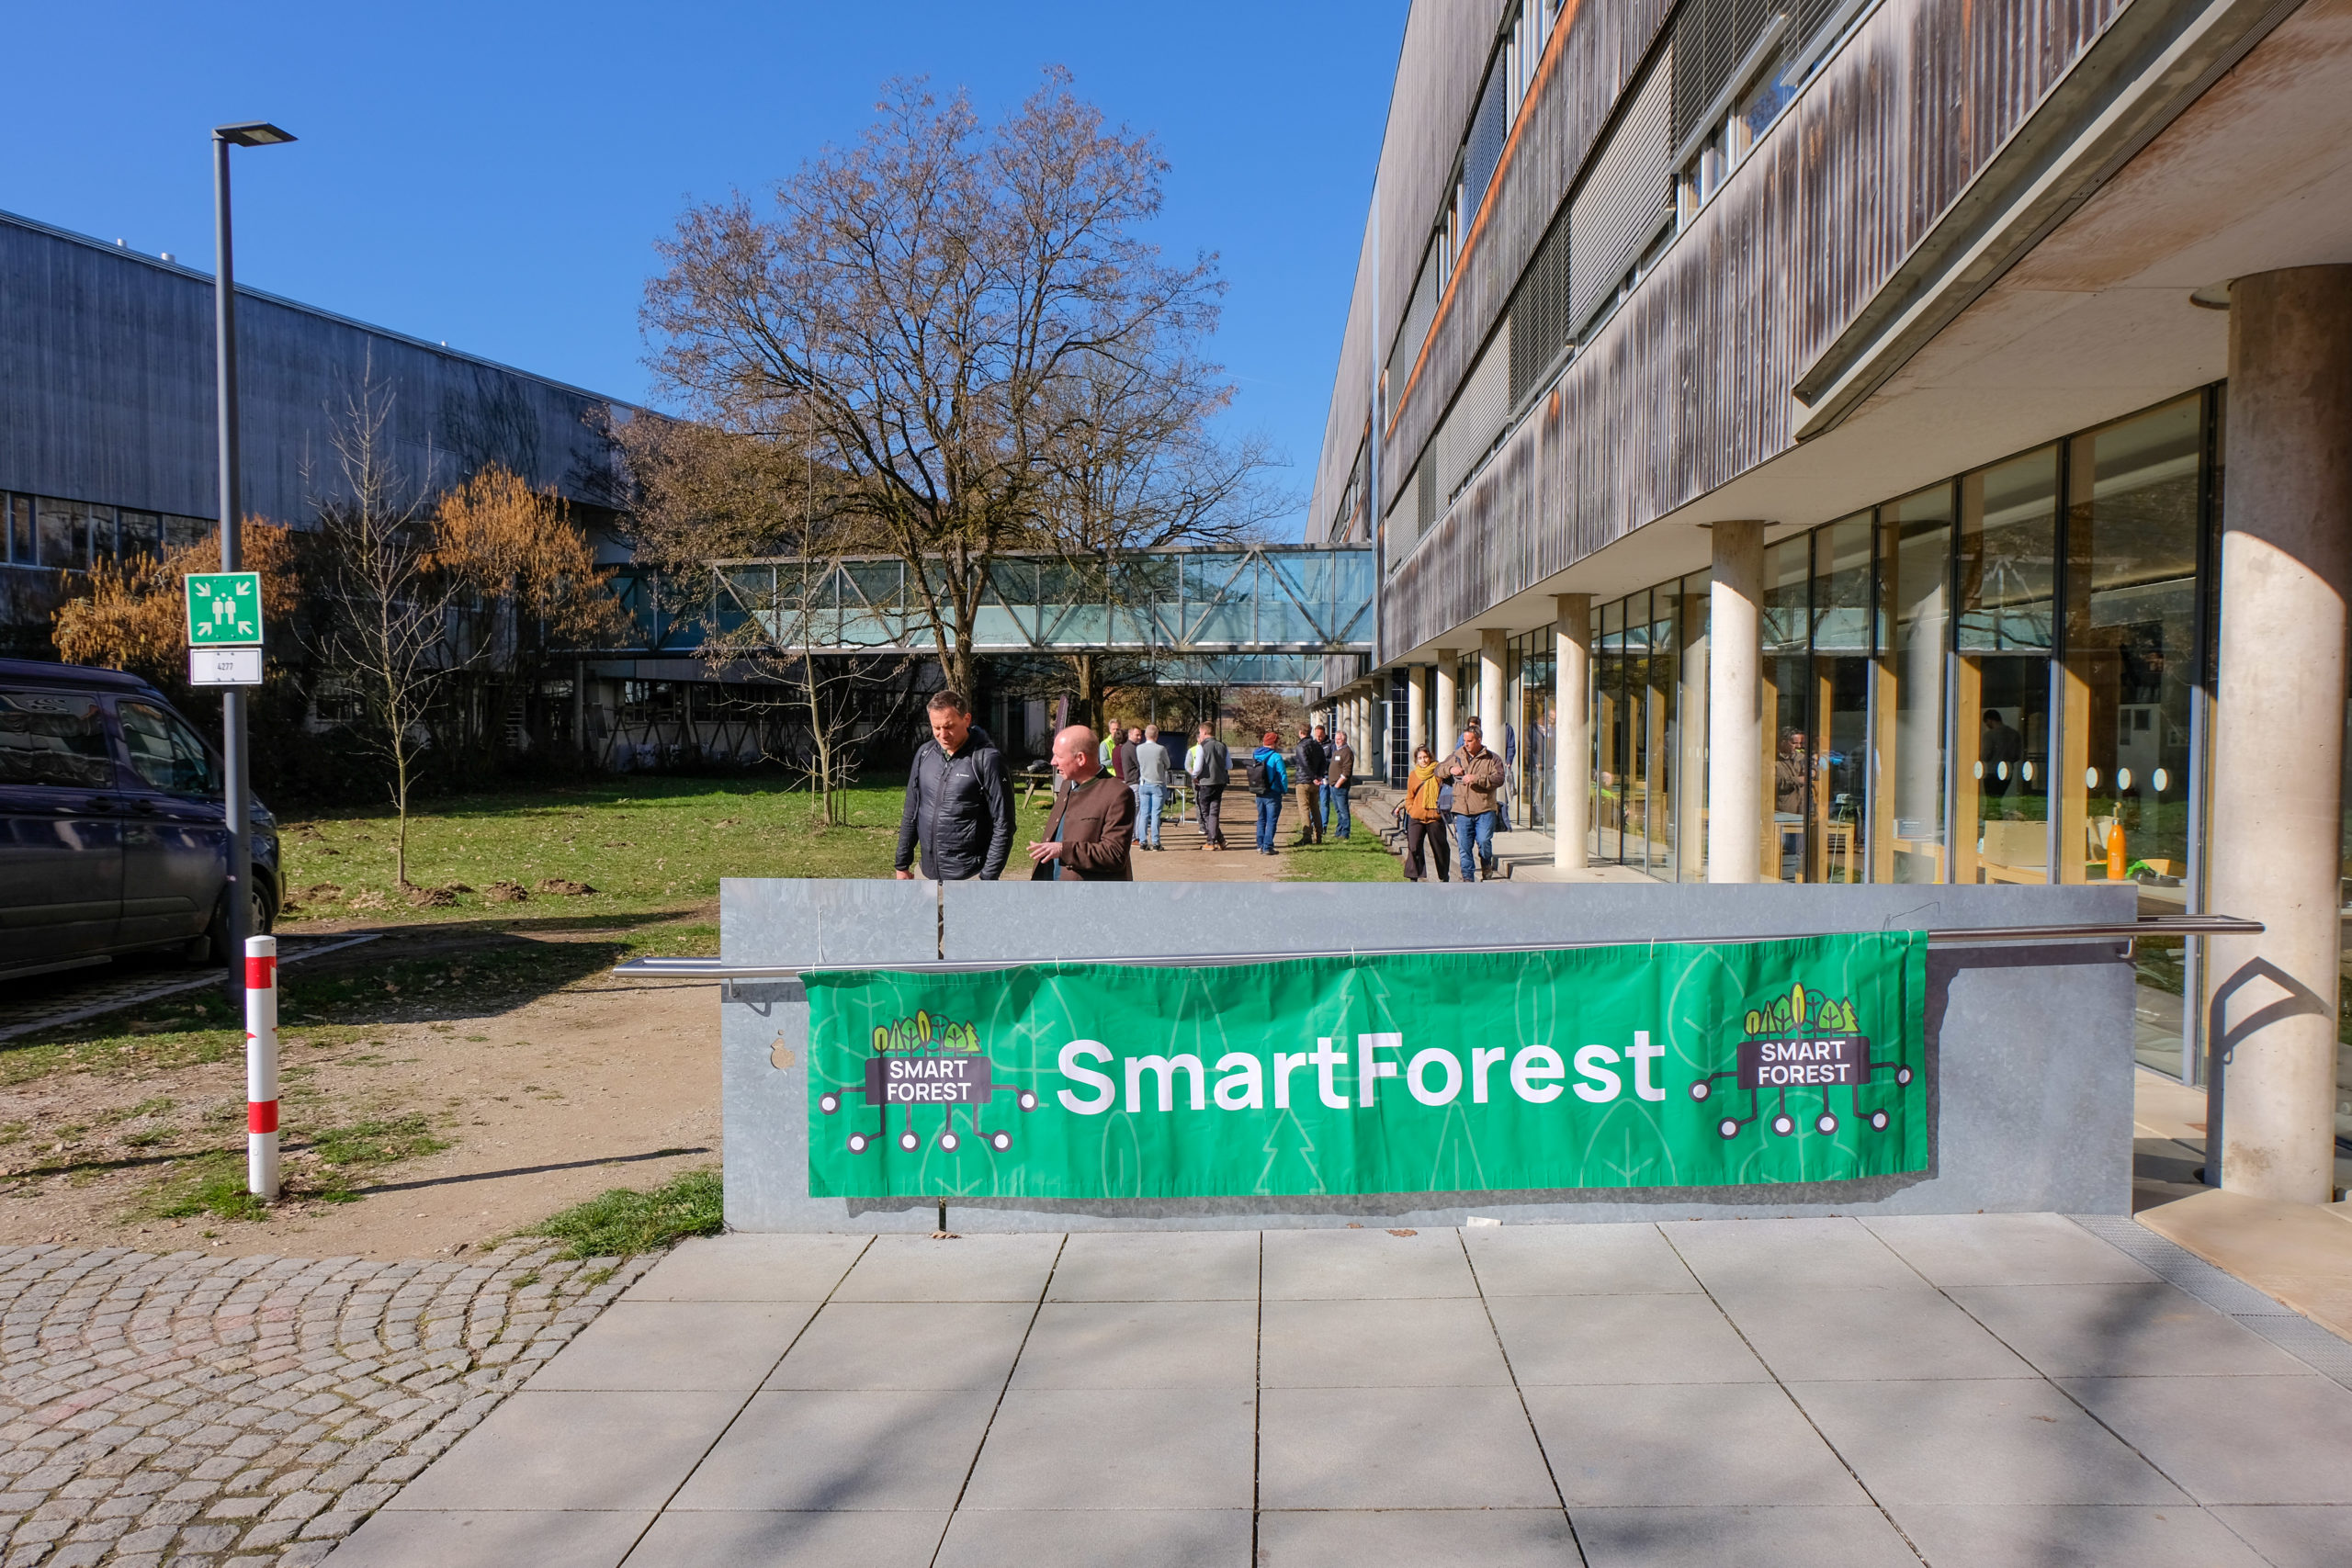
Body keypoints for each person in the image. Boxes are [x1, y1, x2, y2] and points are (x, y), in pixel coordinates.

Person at [894, 689, 1013, 882]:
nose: (942, 734)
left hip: (970, 877)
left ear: (966, 719)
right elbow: (911, 811)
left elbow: (1004, 824)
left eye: (949, 726)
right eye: (936, 728)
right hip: (926, 875)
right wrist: (902, 864)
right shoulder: (925, 754)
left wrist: (987, 878)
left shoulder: (987, 760)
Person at [1028, 725, 1136, 881]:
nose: (1052, 762)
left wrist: (1063, 850)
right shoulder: (1067, 785)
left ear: (1080, 759)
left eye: (1058, 756)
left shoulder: (1118, 794)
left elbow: (1115, 855)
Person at [1445, 722, 1506, 882]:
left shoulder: (1492, 758)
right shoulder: (1457, 756)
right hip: (1462, 810)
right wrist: (1450, 770)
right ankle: (1468, 879)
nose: (1466, 744)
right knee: (1464, 847)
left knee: (1484, 842)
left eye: (1469, 741)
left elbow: (1499, 779)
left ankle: (1486, 864)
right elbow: (1439, 769)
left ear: (1479, 740)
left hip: (1485, 809)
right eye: (1464, 740)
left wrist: (1476, 778)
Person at [1401, 744, 1448, 882]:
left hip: (1434, 817)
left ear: (1430, 757)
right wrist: (1410, 809)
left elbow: (1446, 793)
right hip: (1416, 816)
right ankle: (1413, 877)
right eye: (1420, 758)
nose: (1423, 760)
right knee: (1414, 846)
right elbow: (1409, 795)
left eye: (1425, 757)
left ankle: (1444, 876)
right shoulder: (1414, 775)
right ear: (1416, 760)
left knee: (1440, 848)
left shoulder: (1439, 772)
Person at [1189, 721, 1230, 851]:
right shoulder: (1223, 746)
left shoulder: (1202, 746)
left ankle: (1211, 841)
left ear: (1204, 732)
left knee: (1205, 812)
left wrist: (1194, 776)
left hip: (1206, 782)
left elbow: (1197, 767)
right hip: (1220, 782)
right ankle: (1220, 841)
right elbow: (1229, 765)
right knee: (1214, 812)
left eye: (1200, 732)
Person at [1248, 729, 1290, 856]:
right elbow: (1282, 775)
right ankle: (1268, 846)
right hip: (1273, 792)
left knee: (1261, 819)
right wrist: (1284, 789)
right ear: (1273, 744)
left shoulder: (1255, 754)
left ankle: (1260, 845)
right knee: (1271, 820)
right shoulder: (1276, 757)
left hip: (1259, 791)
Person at [1133, 724, 1171, 852]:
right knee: (1155, 814)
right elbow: (1168, 764)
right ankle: (1156, 842)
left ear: (1145, 735)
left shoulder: (1139, 748)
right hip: (1157, 784)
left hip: (1143, 783)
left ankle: (1143, 841)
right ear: (1156, 736)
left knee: (1144, 813)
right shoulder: (1161, 749)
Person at [1293, 724, 1328, 845]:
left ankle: (1307, 836)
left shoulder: (1301, 746)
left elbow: (1304, 763)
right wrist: (1319, 776)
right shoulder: (1317, 745)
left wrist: (1313, 777)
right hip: (1315, 781)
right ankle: (1318, 836)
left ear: (1300, 732)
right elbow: (1323, 762)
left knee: (1304, 808)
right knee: (1315, 808)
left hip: (1304, 781)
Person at [1325, 728, 1355, 840]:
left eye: (1339, 739)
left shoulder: (1347, 752)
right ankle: (1339, 831)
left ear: (1345, 739)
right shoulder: (1336, 751)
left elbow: (1346, 771)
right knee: (1338, 810)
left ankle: (1345, 832)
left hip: (1340, 787)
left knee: (1343, 810)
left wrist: (1338, 784)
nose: (1337, 741)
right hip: (1333, 785)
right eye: (1336, 739)